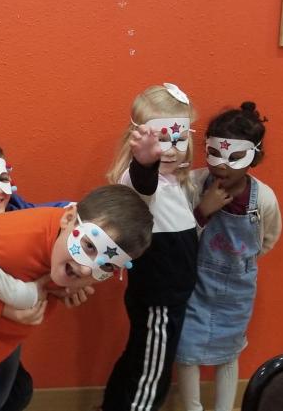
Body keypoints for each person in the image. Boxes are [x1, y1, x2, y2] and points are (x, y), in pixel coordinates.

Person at [0, 185, 153, 411]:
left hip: (2, 340)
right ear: (68, 219)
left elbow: (47, 276)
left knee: (16, 395)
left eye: (107, 265)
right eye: (89, 247)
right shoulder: (10, 243)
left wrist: (60, 290)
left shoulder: (69, 239)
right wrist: (3, 309)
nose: (85, 269)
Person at [175, 102, 283, 411]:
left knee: (228, 353)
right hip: (195, 285)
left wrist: (243, 261)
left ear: (254, 156)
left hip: (237, 291)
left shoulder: (263, 198)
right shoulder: (193, 185)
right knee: (186, 352)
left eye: (235, 157)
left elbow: (268, 238)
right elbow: (179, 239)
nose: (223, 165)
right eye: (215, 154)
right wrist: (203, 211)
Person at [100, 83, 199, 411]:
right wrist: (145, 161)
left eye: (178, 139)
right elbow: (143, 181)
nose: (169, 150)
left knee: (139, 359)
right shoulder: (137, 181)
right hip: (159, 299)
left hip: (170, 297)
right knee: (152, 376)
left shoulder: (175, 181)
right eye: (158, 141)